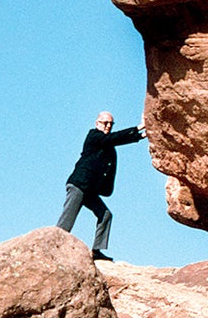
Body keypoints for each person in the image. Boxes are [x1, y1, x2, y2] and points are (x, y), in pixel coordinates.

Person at [57, 111, 146, 259]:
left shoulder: (106, 143)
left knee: (105, 215)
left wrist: (142, 135)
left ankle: (97, 251)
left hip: (90, 189)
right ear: (97, 123)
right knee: (67, 220)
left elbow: (116, 139)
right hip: (79, 184)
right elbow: (115, 138)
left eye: (111, 124)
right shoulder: (94, 136)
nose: (108, 126)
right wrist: (140, 127)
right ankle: (55, 245)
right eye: (105, 123)